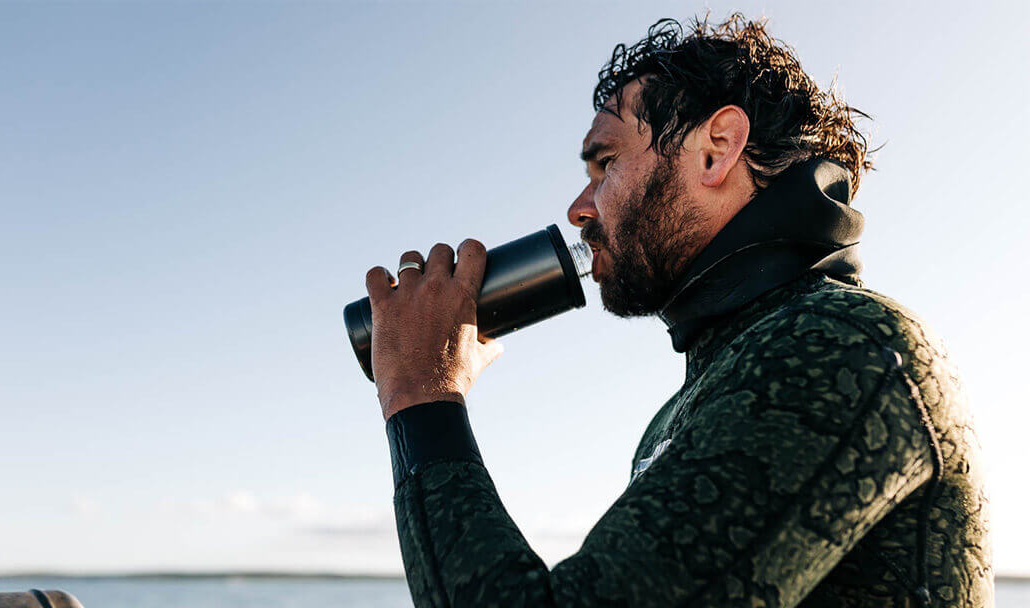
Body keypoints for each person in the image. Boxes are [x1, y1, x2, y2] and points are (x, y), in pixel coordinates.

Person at [362, 14, 992, 607]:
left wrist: (421, 393)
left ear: (717, 149)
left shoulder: (846, 345)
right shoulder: (714, 383)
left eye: (606, 162)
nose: (580, 209)